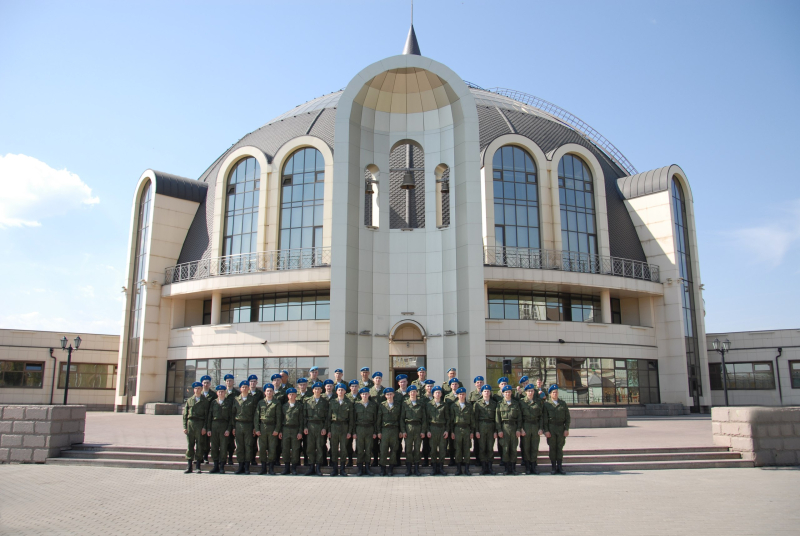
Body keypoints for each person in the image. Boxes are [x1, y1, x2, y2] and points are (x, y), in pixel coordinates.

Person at [254, 382, 282, 475]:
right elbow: (256, 416)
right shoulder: (260, 402)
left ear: (273, 392)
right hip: (262, 427)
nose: (269, 392)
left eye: (271, 391)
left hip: (272, 427)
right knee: (262, 448)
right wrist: (257, 429)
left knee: (272, 448)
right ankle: (263, 467)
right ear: (265, 392)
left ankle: (271, 467)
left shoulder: (276, 403)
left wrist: (277, 429)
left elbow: (279, 417)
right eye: (267, 391)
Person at [542, 384, 570, 475]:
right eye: (553, 392)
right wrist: (546, 430)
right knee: (552, 448)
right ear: (550, 394)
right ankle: (553, 467)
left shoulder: (563, 404)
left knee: (559, 448)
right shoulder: (546, 404)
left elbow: (567, 418)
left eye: (556, 392)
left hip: (561, 428)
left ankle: (560, 467)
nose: (555, 394)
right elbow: (544, 419)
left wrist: (566, 429)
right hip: (551, 428)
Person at [183, 381, 210, 474]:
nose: (197, 390)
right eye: (195, 388)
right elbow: (185, 415)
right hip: (191, 424)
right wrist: (184, 426)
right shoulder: (189, 400)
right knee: (190, 445)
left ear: (201, 389)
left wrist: (205, 427)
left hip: (200, 423)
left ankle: (198, 466)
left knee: (199, 445)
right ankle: (189, 466)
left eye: (199, 388)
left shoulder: (205, 401)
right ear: (193, 390)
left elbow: (207, 416)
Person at [231, 381, 258, 474]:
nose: (245, 388)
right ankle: (240, 465)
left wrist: (255, 427)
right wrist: (233, 427)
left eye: (246, 387)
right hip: (239, 424)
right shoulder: (236, 399)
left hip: (249, 425)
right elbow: (233, 414)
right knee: (239, 446)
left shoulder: (252, 399)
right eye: (243, 387)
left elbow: (255, 414)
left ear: (249, 388)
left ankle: (247, 466)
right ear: (240, 389)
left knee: (248, 446)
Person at [400, 385, 427, 476]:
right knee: (408, 449)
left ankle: (416, 468)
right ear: (408, 393)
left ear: (416, 393)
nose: (412, 393)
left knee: (417, 448)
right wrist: (403, 431)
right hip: (408, 427)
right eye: (411, 392)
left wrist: (423, 431)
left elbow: (424, 419)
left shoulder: (420, 403)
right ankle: (408, 469)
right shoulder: (405, 403)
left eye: (414, 391)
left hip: (418, 427)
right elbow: (402, 418)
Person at [304, 381, 329, 476]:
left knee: (320, 446)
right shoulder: (307, 401)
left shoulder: (324, 402)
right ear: (313, 390)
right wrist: (305, 427)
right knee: (310, 447)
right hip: (310, 426)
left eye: (319, 389)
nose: (317, 390)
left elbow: (327, 417)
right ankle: (311, 466)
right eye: (315, 389)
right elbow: (304, 416)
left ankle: (318, 467)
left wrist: (324, 428)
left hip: (320, 426)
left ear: (321, 390)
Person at [328, 382, 354, 476]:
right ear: (336, 391)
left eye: (342, 390)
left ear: (345, 391)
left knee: (343, 449)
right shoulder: (332, 402)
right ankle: (335, 469)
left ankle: (342, 468)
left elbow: (351, 419)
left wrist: (349, 431)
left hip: (344, 426)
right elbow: (328, 417)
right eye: (339, 390)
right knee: (334, 448)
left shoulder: (349, 403)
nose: (340, 391)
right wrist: (329, 430)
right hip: (334, 426)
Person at [496, 384, 522, 475]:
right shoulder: (499, 404)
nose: (507, 394)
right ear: (503, 393)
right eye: (506, 392)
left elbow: (519, 418)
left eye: (509, 392)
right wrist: (499, 430)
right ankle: (507, 468)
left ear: (511, 393)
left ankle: (513, 468)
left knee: (513, 448)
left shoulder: (515, 404)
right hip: (504, 427)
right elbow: (497, 419)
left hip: (514, 427)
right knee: (506, 448)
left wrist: (519, 429)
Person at [352, 387, 378, 476]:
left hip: (369, 428)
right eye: (363, 394)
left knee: (368, 449)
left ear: (369, 395)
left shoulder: (373, 405)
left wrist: (375, 431)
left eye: (366, 394)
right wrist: (354, 432)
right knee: (360, 449)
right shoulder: (356, 405)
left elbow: (375, 420)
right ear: (360, 395)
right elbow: (353, 420)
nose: (364, 395)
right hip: (359, 428)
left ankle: (367, 467)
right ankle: (360, 468)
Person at [519, 383, 544, 475]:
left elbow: (541, 416)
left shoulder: (538, 402)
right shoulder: (521, 402)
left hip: (535, 426)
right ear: (525, 392)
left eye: (532, 391)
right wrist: (521, 428)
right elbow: (520, 417)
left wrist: (541, 428)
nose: (530, 392)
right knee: (526, 447)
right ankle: (527, 467)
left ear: (534, 392)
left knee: (534, 447)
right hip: (526, 425)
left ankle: (533, 466)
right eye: (528, 391)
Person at [279, 387, 305, 475]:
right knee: (285, 448)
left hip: (295, 429)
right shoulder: (284, 406)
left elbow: (301, 420)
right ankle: (286, 467)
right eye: (290, 394)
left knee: (295, 449)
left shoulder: (299, 406)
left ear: (296, 395)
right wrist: (280, 431)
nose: (291, 396)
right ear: (287, 396)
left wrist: (300, 432)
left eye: (293, 394)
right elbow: (280, 419)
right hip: (285, 429)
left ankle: (293, 468)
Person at [450, 386, 475, 475]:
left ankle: (467, 469)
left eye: (463, 394)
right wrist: (452, 431)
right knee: (458, 449)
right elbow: (451, 420)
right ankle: (458, 469)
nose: (461, 396)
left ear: (465, 395)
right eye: (460, 394)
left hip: (466, 429)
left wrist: (472, 431)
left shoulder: (469, 406)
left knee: (466, 449)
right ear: (457, 395)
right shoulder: (454, 406)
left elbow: (472, 420)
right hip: (457, 429)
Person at [208, 385, 232, 474]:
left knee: (223, 447)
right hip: (214, 426)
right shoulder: (213, 403)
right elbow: (209, 417)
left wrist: (228, 429)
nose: (221, 393)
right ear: (217, 393)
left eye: (222, 391)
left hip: (224, 426)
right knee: (214, 447)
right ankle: (215, 466)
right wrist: (208, 429)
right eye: (219, 392)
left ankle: (222, 466)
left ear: (225, 392)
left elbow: (231, 418)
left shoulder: (228, 403)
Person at [473, 384, 498, 475]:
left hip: (491, 426)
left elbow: (496, 419)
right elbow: (475, 418)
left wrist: (496, 431)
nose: (486, 393)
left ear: (490, 393)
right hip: (481, 426)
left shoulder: (494, 404)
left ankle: (490, 467)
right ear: (482, 393)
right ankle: (484, 467)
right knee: (482, 447)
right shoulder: (478, 404)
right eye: (485, 391)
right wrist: (476, 431)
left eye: (488, 391)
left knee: (490, 447)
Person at [425, 385, 450, 476]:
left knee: (442, 449)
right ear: (433, 394)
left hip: (442, 428)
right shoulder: (429, 404)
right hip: (432, 428)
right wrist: (427, 430)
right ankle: (434, 467)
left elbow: (448, 419)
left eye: (439, 392)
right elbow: (426, 419)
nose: (438, 394)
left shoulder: (444, 405)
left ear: (441, 394)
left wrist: (447, 430)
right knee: (433, 449)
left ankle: (441, 467)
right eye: (436, 392)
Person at [378, 388, 402, 476]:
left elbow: (400, 419)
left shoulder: (398, 405)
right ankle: (383, 468)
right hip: (384, 430)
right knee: (383, 450)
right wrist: (379, 431)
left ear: (393, 395)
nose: (389, 396)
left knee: (394, 450)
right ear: (385, 396)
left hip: (395, 429)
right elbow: (379, 419)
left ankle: (391, 468)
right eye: (387, 394)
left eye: (391, 394)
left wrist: (401, 431)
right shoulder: (382, 405)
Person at [198, 375, 217, 463]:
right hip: (199, 419)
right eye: (204, 383)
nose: (206, 384)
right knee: (199, 439)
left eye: (207, 383)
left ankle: (205, 456)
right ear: (202, 384)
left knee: (207, 440)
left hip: (209, 418)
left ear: (210, 384)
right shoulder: (198, 394)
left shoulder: (213, 395)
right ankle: (199, 456)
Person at [369, 372, 386, 466]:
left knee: (383, 442)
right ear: (373, 380)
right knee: (374, 442)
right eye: (376, 378)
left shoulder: (384, 391)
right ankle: (375, 459)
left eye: (379, 378)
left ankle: (382, 459)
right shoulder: (370, 391)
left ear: (381, 380)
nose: (378, 380)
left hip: (383, 418)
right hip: (373, 418)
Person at [223, 373, 240, 465]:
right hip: (223, 419)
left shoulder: (237, 393)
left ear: (233, 382)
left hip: (233, 419)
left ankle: (230, 457)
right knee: (223, 441)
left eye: (230, 381)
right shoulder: (222, 392)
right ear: (225, 382)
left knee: (231, 440)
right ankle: (223, 458)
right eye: (227, 381)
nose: (229, 382)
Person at [294, 377, 310, 466]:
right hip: (297, 423)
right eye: (301, 385)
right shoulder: (295, 395)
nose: (302, 386)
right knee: (297, 445)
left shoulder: (310, 395)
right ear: (298, 386)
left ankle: (307, 462)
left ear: (306, 385)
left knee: (307, 445)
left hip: (308, 422)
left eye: (304, 384)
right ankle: (297, 463)